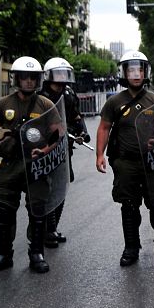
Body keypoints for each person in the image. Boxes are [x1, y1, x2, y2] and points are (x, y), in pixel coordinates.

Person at [96, 50, 154, 266]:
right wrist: (99, 155)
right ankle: (131, 249)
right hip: (126, 163)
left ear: (145, 72)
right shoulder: (114, 102)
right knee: (129, 206)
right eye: (131, 69)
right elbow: (104, 128)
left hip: (152, 162)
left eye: (139, 69)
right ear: (124, 72)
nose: (135, 74)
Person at [0, 56, 56, 274]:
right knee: (5, 210)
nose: (29, 81)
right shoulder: (4, 103)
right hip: (11, 165)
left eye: (33, 77)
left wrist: (45, 151)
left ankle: (37, 253)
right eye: (25, 77)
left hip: (36, 164)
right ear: (17, 78)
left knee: (37, 210)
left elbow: (57, 136)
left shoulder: (46, 104)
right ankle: (3, 254)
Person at [39, 56, 89, 246]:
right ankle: (46, 231)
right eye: (57, 74)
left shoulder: (68, 94)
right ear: (48, 76)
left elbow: (76, 116)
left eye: (64, 74)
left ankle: (53, 228)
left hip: (64, 149)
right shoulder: (40, 96)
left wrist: (82, 131)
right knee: (47, 190)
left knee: (61, 187)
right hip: (44, 149)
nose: (61, 78)